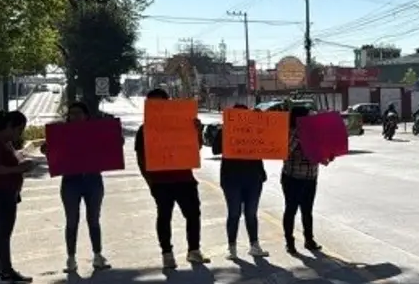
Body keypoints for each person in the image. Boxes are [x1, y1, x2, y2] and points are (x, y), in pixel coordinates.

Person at [135, 88, 206, 269]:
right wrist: (149, 181)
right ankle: (167, 253)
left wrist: (198, 131)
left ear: (168, 102)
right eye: (152, 103)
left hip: (185, 179)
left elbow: (196, 148)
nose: (156, 106)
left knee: (193, 215)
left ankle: (194, 250)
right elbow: (141, 159)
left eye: (160, 102)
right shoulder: (144, 130)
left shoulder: (184, 123)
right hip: (160, 182)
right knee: (164, 216)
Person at [41, 102, 111, 274]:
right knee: (71, 221)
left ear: (86, 115)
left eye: (79, 113)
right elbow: (52, 152)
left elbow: (108, 148)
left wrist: (116, 142)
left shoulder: (95, 132)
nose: (75, 116)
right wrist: (47, 149)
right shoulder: (61, 134)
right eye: (72, 113)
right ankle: (71, 258)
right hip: (70, 182)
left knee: (93, 219)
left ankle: (97, 255)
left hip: (93, 179)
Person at [0, 110, 34, 284]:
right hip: (0, 192)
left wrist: (21, 163)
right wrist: (18, 169)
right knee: (3, 234)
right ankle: (6, 272)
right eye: (18, 130)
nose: (18, 134)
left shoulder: (4, 142)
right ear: (9, 126)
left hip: (7, 191)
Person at [216, 104, 269, 259]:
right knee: (234, 213)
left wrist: (262, 120)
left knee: (251, 213)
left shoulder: (254, 130)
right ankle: (231, 247)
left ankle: (254, 245)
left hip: (253, 178)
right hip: (231, 179)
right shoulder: (225, 130)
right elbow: (215, 148)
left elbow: (268, 142)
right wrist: (225, 130)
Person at [282, 105, 326, 253]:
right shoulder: (290, 132)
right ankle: (289, 241)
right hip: (292, 178)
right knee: (291, 210)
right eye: (308, 116)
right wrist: (300, 135)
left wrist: (328, 155)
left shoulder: (315, 133)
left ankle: (309, 240)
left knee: (307, 211)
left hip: (310, 178)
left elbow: (323, 158)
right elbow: (284, 152)